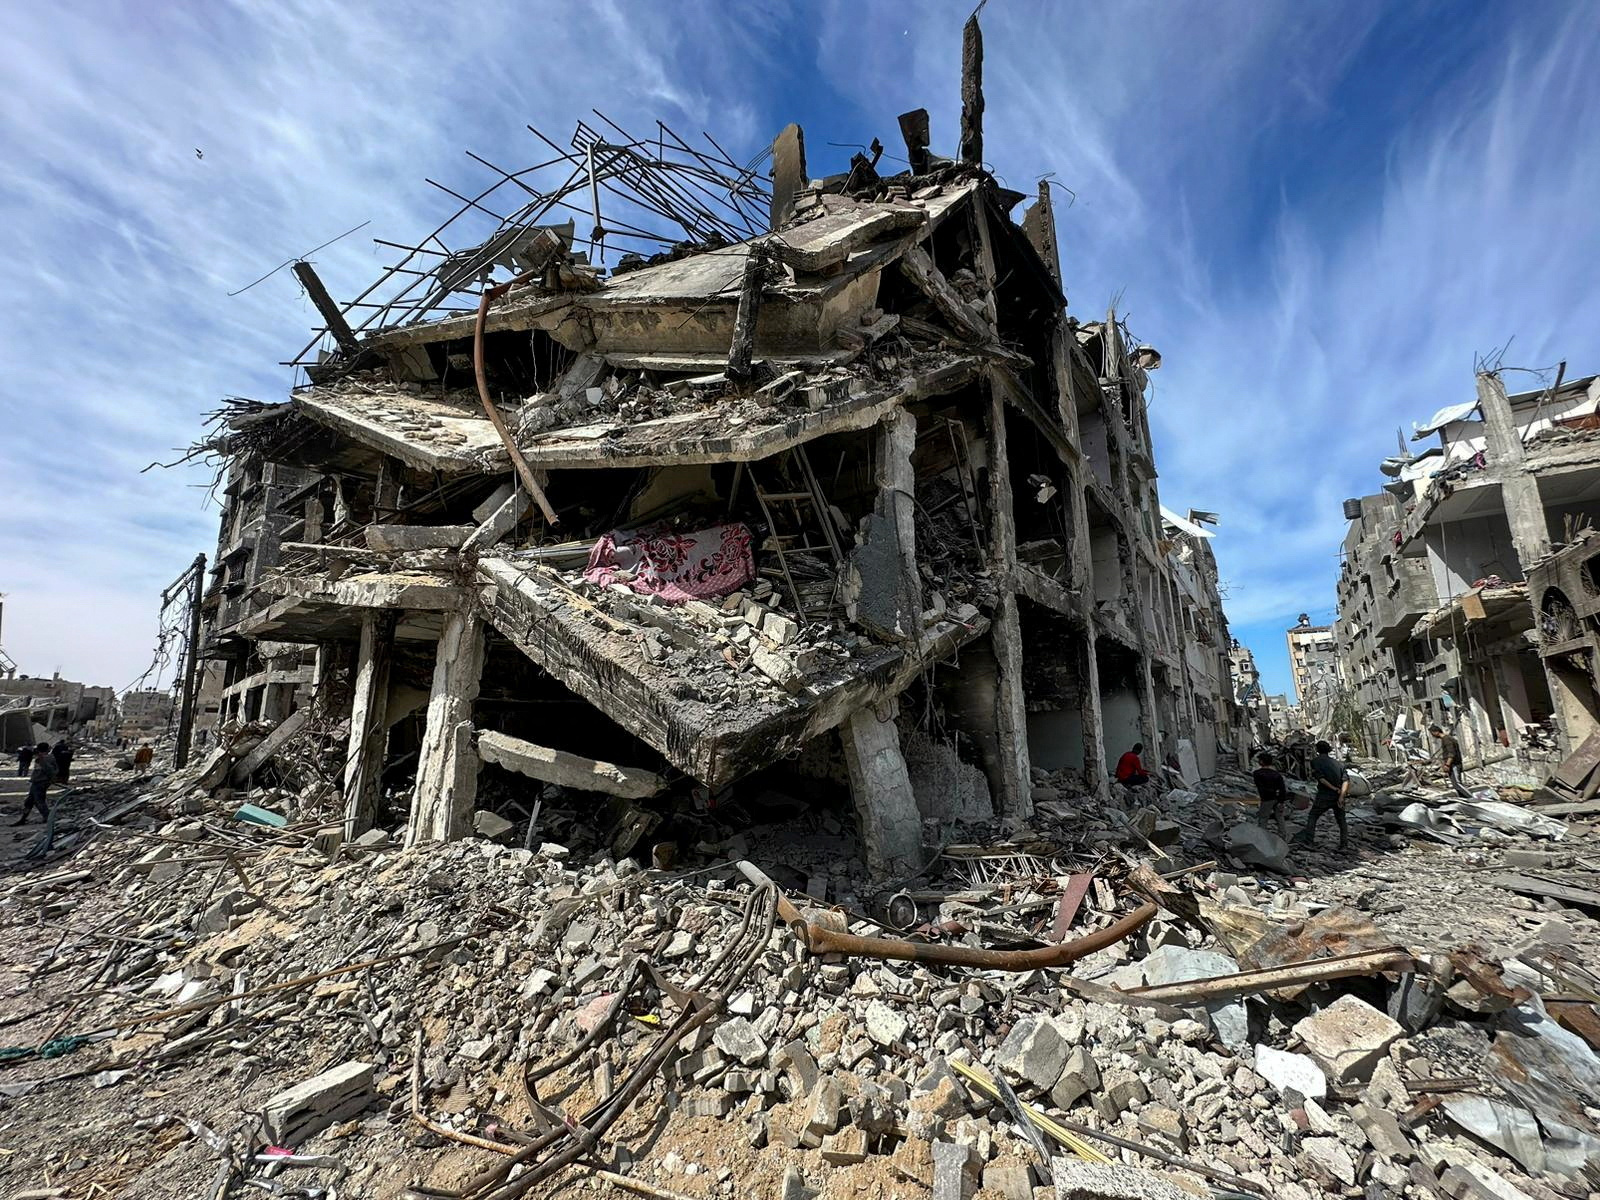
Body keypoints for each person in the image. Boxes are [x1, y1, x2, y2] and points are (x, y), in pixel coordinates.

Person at [1295, 739, 1350, 850]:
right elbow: (1346, 781)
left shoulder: (1316, 762)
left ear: (1317, 750)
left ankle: (1309, 841)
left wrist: (1334, 789)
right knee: (1341, 820)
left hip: (1325, 795)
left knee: (1313, 816)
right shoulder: (1338, 763)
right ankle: (1344, 845)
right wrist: (1341, 796)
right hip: (1338, 796)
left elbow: (1321, 779)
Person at [1252, 751, 1289, 839]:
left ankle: (1262, 837)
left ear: (1261, 762)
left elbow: (1260, 787)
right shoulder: (1277, 774)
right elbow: (1282, 788)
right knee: (1280, 817)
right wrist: (1281, 801)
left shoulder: (1257, 774)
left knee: (1263, 818)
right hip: (1277, 798)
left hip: (1266, 799)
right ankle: (1283, 835)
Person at [17, 742, 56, 824]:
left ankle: (48, 818)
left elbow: (50, 770)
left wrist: (49, 779)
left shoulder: (45, 758)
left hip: (40, 782)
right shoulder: (45, 758)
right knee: (29, 801)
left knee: (39, 801)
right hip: (37, 781)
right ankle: (23, 818)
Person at [1430, 725, 1470, 798]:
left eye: (1432, 734)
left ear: (1436, 732)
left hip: (1454, 764)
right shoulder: (1446, 739)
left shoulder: (1447, 739)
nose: (1433, 736)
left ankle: (1472, 798)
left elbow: (1451, 753)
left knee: (1457, 784)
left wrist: (1447, 765)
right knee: (1455, 785)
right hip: (1452, 765)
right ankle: (1466, 799)